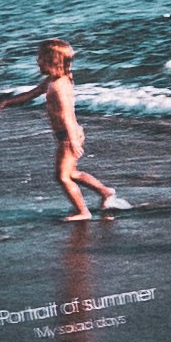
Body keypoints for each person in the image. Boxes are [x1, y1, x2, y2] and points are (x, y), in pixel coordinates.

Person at [38, 39, 121, 220]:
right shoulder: (53, 81)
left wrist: (73, 140)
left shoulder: (59, 86)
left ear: (52, 60)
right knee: (72, 173)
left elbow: (67, 114)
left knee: (62, 176)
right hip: (67, 135)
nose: (37, 61)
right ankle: (105, 192)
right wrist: (7, 102)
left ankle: (83, 211)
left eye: (41, 57)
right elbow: (31, 94)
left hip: (69, 136)